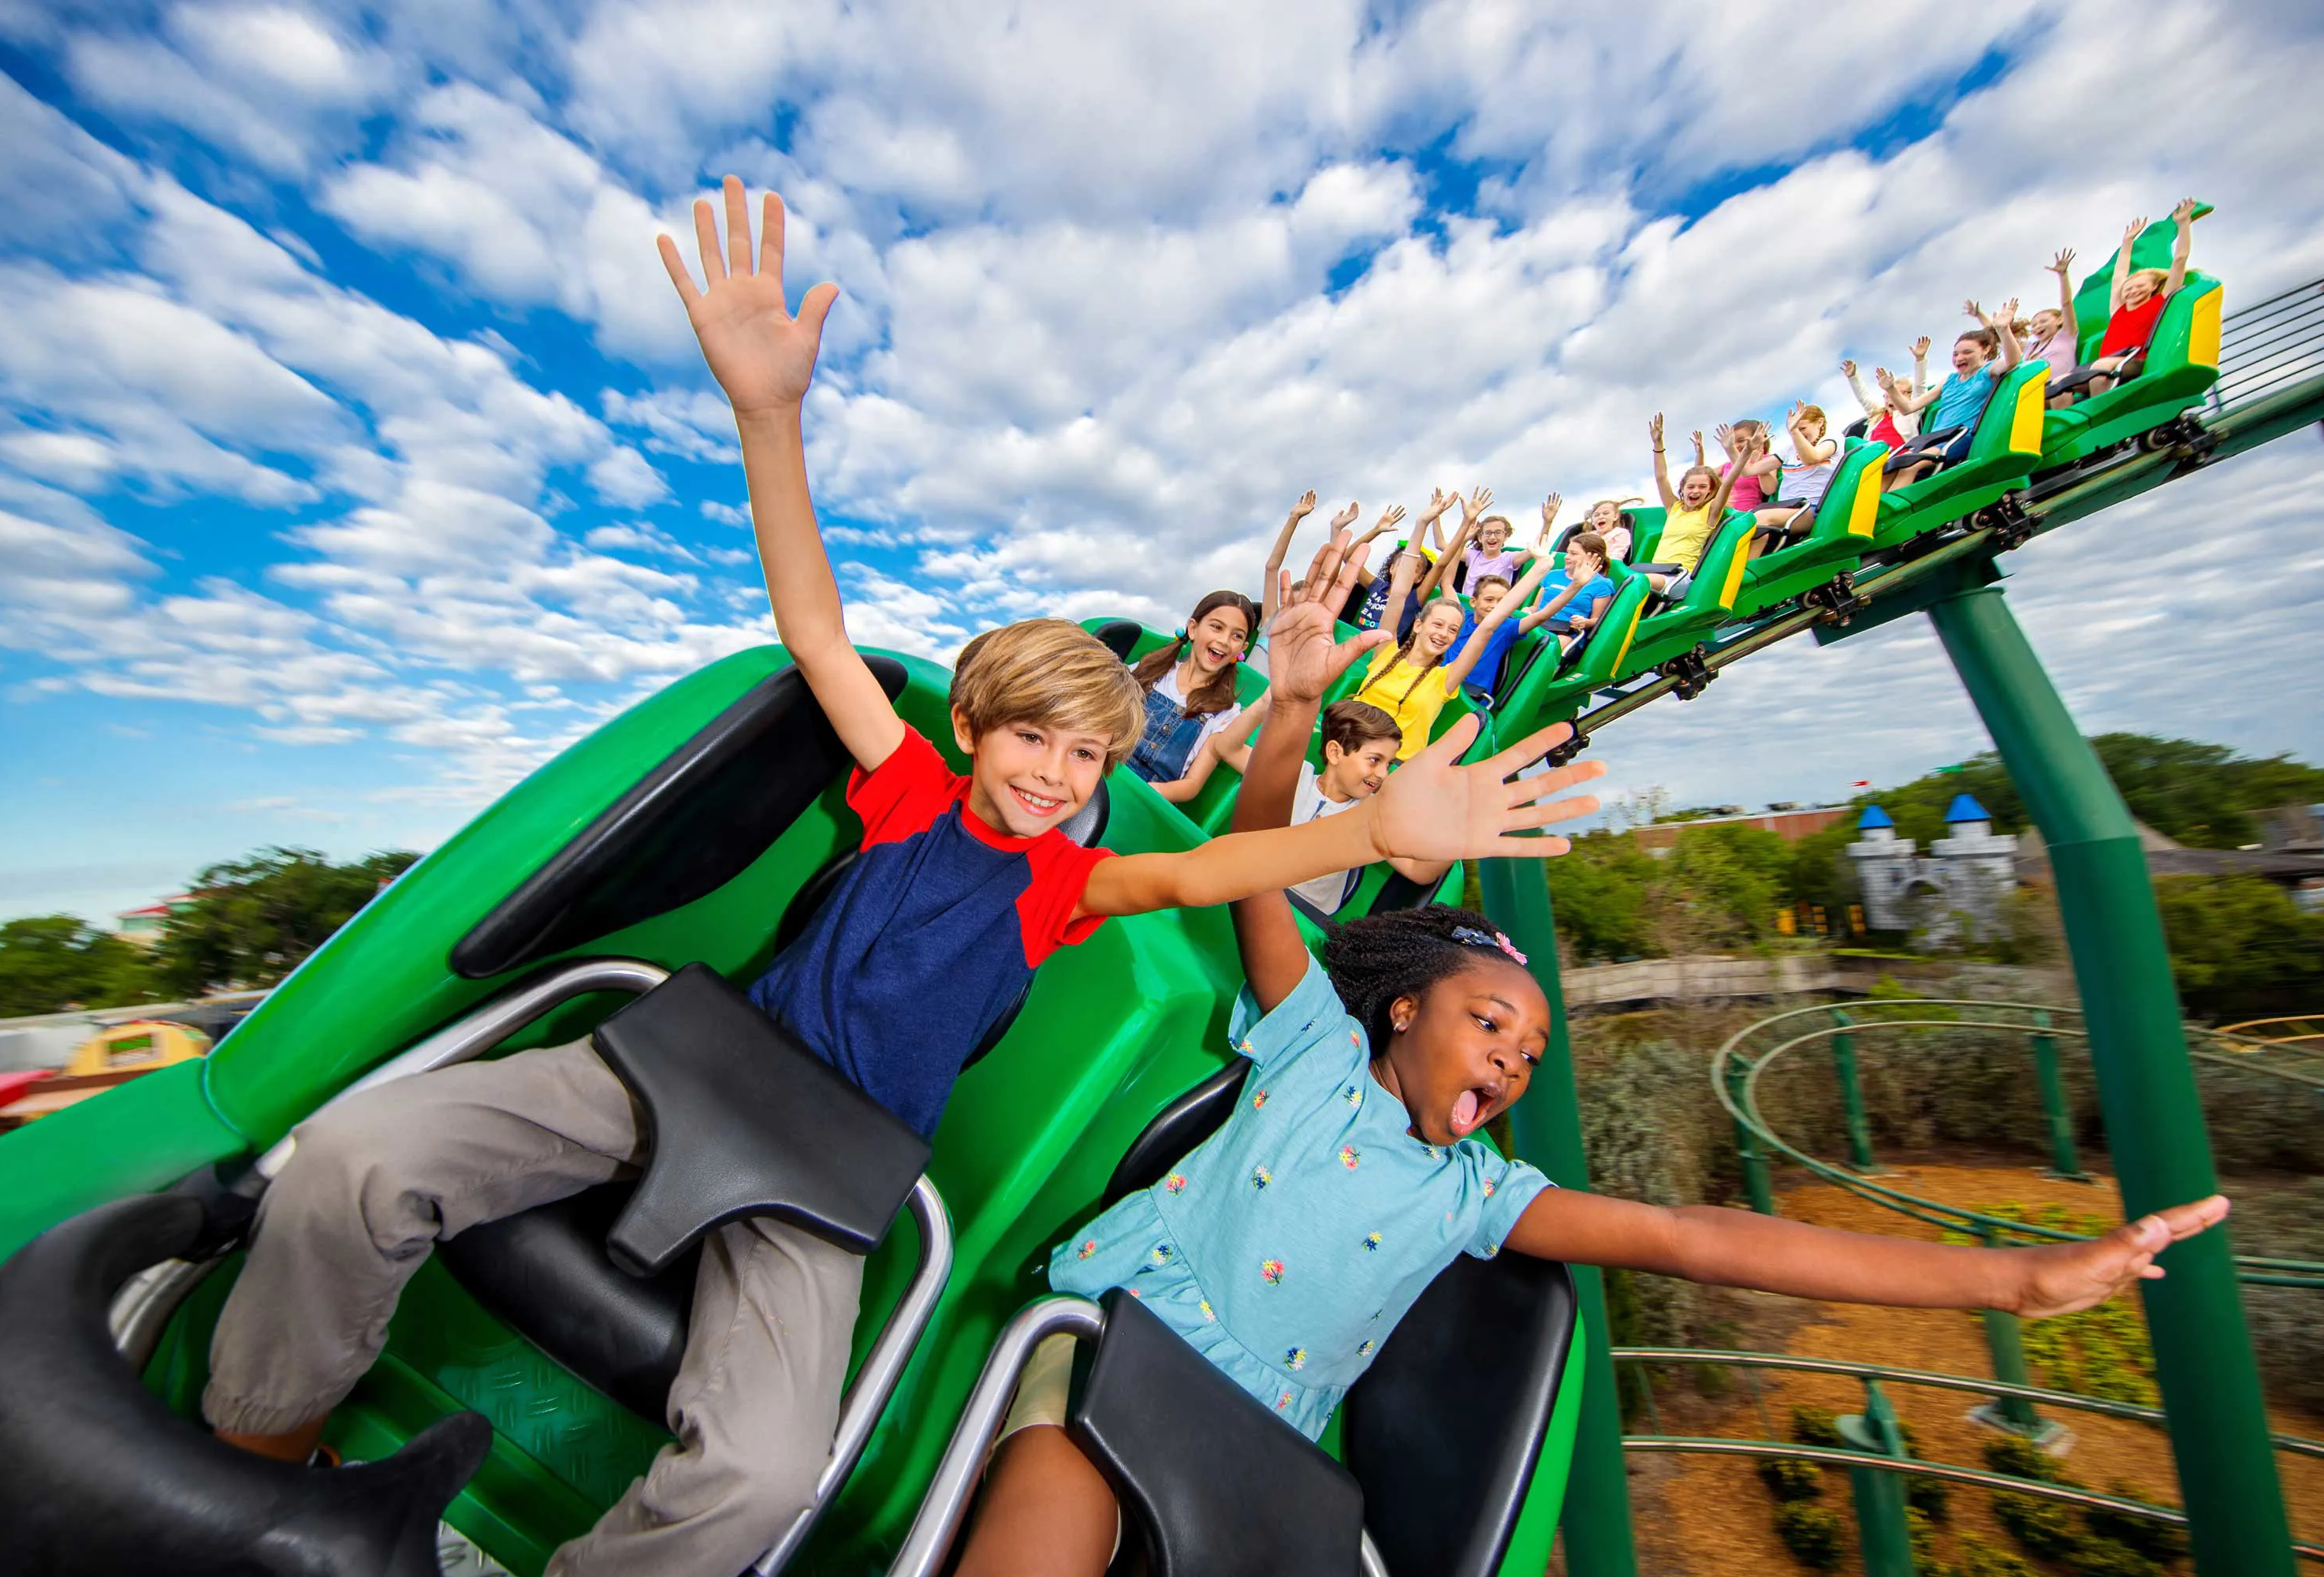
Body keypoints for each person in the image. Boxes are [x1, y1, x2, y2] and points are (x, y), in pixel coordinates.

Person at [195, 183, 1447, 1577]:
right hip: (692, 1063)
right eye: (1031, 738)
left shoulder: (1062, 887)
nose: (1055, 774)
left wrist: (1377, 830)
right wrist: (768, 417)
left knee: (763, 1477)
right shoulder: (908, 787)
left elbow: (1211, 866)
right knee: (363, 1161)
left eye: (1087, 754)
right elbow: (813, 621)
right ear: (971, 731)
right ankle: (251, 1459)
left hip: (831, 1170)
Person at [950, 544, 2230, 1577]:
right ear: (1401, 1013)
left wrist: (2011, 1283)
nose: (1511, 1059)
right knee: (1055, 1509)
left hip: (1246, 1446)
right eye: (1491, 1023)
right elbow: (1262, 854)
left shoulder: (1478, 1196)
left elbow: (1700, 1239)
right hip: (1118, 1343)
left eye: (1531, 1048)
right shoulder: (1310, 1049)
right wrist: (1289, 708)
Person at [1357, 554, 1544, 759]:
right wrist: (1423, 524)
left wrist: (1540, 568)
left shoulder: (1443, 680)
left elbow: (1488, 627)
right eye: (1437, 624)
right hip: (1351, 739)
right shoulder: (1386, 653)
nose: (1443, 634)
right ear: (1418, 625)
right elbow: (1399, 595)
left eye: (1453, 630)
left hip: (1392, 762)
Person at [1284, 699, 1449, 914]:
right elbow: (1229, 748)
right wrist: (1270, 703)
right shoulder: (1295, 776)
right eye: (1374, 760)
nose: (1382, 773)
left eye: (1388, 764)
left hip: (1302, 916)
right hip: (1254, 893)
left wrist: (1463, 830)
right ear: (1334, 753)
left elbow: (1419, 871)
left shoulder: (1370, 815)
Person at [1124, 590, 1264, 803]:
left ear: (1242, 649)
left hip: (1149, 799)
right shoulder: (1153, 671)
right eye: (1217, 627)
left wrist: (1149, 793)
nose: (1225, 640)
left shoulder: (1225, 714)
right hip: (1109, 770)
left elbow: (1191, 785)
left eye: (1237, 636)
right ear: (1193, 629)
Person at [1877, 300, 2025, 490]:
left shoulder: (1987, 371)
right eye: (1955, 354)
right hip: (1932, 439)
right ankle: (1869, 517)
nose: (1959, 358)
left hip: (1957, 437)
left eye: (1967, 352)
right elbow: (1908, 408)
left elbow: (2013, 360)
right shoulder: (1949, 380)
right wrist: (1891, 389)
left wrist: (2004, 330)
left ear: (1986, 350)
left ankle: (1889, 517)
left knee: (1909, 467)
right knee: (1889, 471)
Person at [2070, 199, 2203, 401]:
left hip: (2133, 360)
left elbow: (2179, 260)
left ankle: (2104, 418)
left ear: (2153, 287)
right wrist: (2128, 242)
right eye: (2129, 287)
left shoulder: (2160, 301)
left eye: (2140, 286)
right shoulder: (2118, 309)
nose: (2132, 290)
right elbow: (2118, 277)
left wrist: (2183, 224)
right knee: (2059, 384)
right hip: (2106, 364)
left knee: (2098, 370)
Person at [1626, 412, 1739, 599]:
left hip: (1679, 577)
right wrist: (1658, 444)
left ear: (1710, 492)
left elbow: (1727, 483)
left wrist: (1740, 453)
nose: (1695, 491)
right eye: (1691, 486)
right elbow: (1661, 477)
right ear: (1684, 489)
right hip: (1654, 571)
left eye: (1702, 487)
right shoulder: (1674, 508)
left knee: (1635, 582)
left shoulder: (1710, 512)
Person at [1355, 490, 1457, 639]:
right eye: (1402, 563)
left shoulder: (1416, 597)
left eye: (1415, 568)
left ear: (1420, 578)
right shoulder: (1376, 586)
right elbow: (1350, 557)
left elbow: (1442, 564)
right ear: (1391, 568)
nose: (1406, 569)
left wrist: (1439, 518)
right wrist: (1376, 530)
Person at [1752, 404, 1839, 550]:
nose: (1799, 433)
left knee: (1761, 518)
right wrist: (1745, 450)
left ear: (1820, 422)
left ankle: (1745, 570)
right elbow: (1748, 471)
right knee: (1743, 521)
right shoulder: (1789, 450)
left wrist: (1793, 431)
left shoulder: (1830, 440)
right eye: (1796, 429)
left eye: (1802, 428)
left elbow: (1812, 458)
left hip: (1813, 509)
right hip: (1790, 507)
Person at [1844, 340, 1930, 446]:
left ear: (1909, 395)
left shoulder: (1911, 411)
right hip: (1875, 457)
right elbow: (1863, 398)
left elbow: (1920, 387)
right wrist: (1853, 377)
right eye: (1887, 396)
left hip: (1898, 457)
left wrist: (1920, 359)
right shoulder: (1878, 415)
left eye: (1898, 393)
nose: (1891, 399)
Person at [2024, 250, 2082, 408]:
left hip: (2059, 389)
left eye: (2043, 321)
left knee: (2057, 390)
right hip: (2034, 394)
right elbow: (2002, 337)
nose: (2037, 327)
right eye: (2034, 325)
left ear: (2059, 320)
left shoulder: (2066, 335)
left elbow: (2066, 303)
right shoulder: (2031, 347)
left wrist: (2063, 276)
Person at [1713, 419, 1781, 516]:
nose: (1736, 445)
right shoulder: (1728, 465)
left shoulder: (1768, 460)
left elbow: (1769, 490)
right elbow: (1701, 476)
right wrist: (1700, 452)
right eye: (1733, 441)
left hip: (1747, 516)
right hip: (1724, 516)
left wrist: (1759, 463)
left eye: (1741, 441)